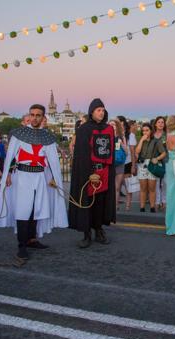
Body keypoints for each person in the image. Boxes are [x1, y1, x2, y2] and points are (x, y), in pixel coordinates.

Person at [0, 104, 67, 259]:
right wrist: (7, 173)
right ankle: (21, 245)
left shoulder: (47, 137)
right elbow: (10, 157)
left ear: (43, 117)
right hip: (23, 177)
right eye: (32, 114)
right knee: (23, 210)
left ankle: (32, 239)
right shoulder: (19, 134)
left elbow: (53, 161)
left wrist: (55, 178)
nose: (35, 118)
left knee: (36, 209)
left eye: (38, 115)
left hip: (40, 177)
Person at [68, 98, 116, 248]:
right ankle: (87, 233)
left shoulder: (109, 129)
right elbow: (82, 154)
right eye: (98, 110)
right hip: (89, 172)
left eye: (103, 110)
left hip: (104, 172)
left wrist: (108, 170)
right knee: (87, 203)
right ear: (92, 112)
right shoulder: (83, 130)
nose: (101, 113)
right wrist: (89, 172)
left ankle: (99, 230)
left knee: (101, 203)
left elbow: (111, 152)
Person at [135, 123, 167, 213]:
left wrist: (157, 158)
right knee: (143, 188)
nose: (145, 132)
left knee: (152, 188)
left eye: (147, 130)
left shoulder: (156, 141)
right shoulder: (141, 140)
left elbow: (164, 153)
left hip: (152, 164)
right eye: (143, 130)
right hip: (142, 165)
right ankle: (142, 207)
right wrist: (141, 140)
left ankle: (152, 207)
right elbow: (137, 152)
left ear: (151, 131)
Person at [109, 119, 128, 210]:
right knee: (110, 187)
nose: (112, 126)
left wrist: (121, 143)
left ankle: (115, 205)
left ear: (117, 126)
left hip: (119, 164)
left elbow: (127, 151)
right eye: (110, 124)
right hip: (109, 163)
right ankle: (110, 205)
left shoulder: (121, 137)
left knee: (117, 187)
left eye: (114, 124)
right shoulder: (106, 136)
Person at [153, 116, 167, 211]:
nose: (161, 124)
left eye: (162, 122)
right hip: (155, 161)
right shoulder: (152, 135)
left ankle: (164, 201)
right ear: (155, 124)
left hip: (166, 160)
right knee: (156, 182)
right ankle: (157, 202)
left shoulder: (167, 135)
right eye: (159, 122)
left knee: (165, 182)